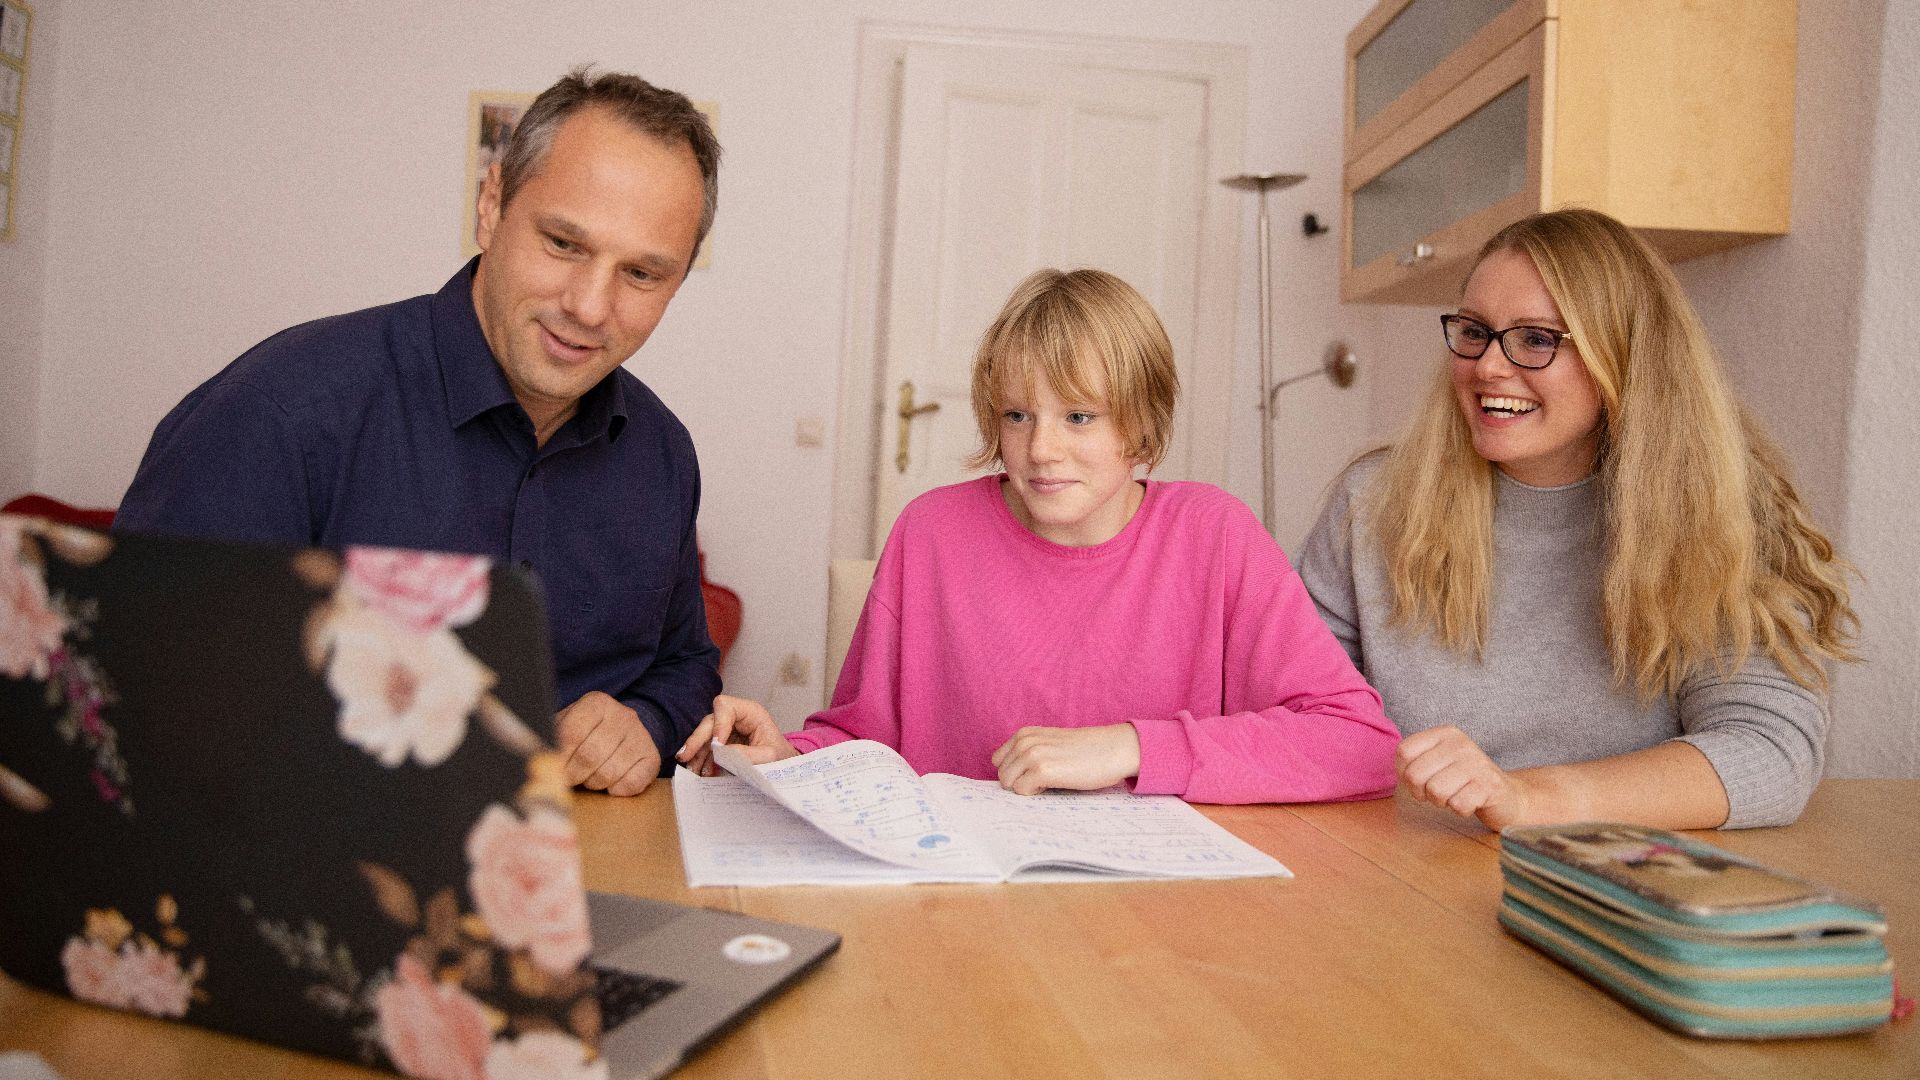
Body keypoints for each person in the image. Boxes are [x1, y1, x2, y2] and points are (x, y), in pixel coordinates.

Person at [115, 68, 723, 797]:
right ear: (492, 205)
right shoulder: (282, 410)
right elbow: (133, 686)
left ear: (679, 282)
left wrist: (646, 722)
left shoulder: (663, 454)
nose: (591, 306)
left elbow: (686, 664)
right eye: (563, 243)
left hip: (596, 875)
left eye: (643, 274)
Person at [679, 269, 1399, 803]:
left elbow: (1360, 744)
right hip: (963, 898)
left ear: (1141, 424)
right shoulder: (931, 532)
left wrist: (1132, 746)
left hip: (1157, 913)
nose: (1041, 450)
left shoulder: (1215, 535)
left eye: (1079, 417)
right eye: (1018, 416)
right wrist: (784, 756)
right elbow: (863, 739)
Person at [1296, 208, 1857, 831]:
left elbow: (1769, 752)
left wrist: (1527, 797)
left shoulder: (1723, 519)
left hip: (1610, 886)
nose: (1487, 366)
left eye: (1537, 339)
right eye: (1475, 331)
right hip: (1401, 871)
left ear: (1625, 359)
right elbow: (1295, 703)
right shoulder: (1372, 503)